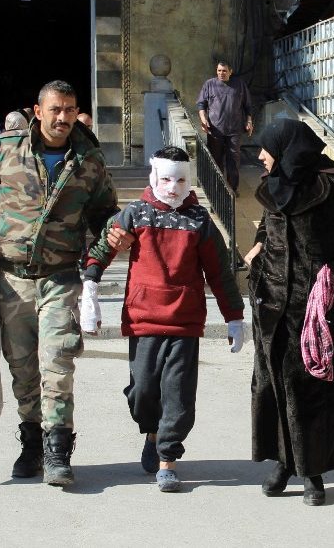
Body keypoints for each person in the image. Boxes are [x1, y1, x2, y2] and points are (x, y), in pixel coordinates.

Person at [0, 80, 120, 487]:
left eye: (69, 109)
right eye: (55, 110)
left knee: (57, 362)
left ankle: (58, 449)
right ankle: (32, 442)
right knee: (23, 369)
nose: (62, 117)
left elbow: (104, 213)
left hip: (61, 278)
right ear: (38, 110)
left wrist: (108, 242)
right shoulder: (5, 147)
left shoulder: (90, 161)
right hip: (11, 279)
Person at [80, 145, 245, 492]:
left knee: (179, 394)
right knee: (142, 391)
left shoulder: (200, 221)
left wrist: (234, 317)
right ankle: (151, 432)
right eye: (167, 179)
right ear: (153, 177)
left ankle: (168, 458)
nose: (173, 187)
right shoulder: (134, 214)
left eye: (181, 180)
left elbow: (220, 273)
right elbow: (101, 250)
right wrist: (90, 292)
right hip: (143, 319)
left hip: (184, 322)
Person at [242, 118, 334, 506]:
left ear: (286, 148)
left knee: (313, 387)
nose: (262, 157)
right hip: (269, 300)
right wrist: (258, 247)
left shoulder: (332, 182)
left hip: (312, 302)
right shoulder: (273, 183)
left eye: (267, 148)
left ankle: (312, 472)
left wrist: (332, 274)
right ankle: (282, 462)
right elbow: (269, 227)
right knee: (271, 384)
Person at [196, 61, 253, 194]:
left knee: (233, 160)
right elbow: (201, 105)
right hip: (215, 129)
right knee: (216, 160)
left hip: (235, 129)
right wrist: (203, 120)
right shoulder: (209, 84)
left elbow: (248, 106)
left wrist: (249, 121)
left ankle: (232, 188)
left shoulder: (239, 85)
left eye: (224, 71)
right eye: (219, 70)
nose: (221, 73)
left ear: (230, 72)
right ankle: (218, 188)